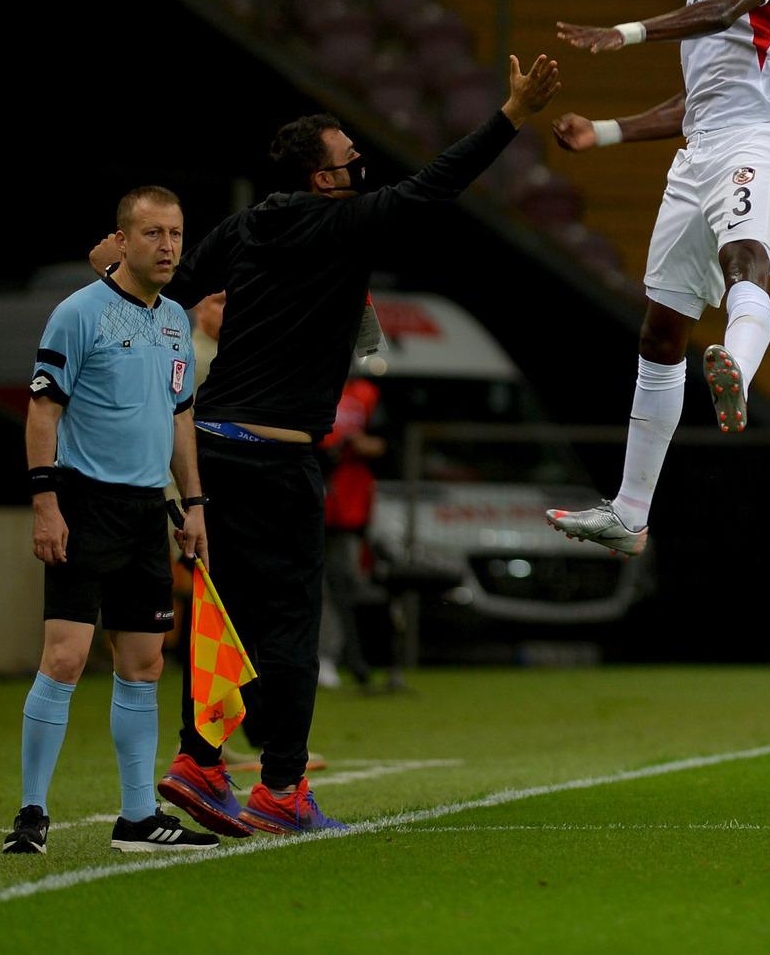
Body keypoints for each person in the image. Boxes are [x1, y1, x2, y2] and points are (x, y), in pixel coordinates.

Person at [92, 54, 561, 836]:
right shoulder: (344, 222)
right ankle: (282, 788)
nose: (362, 172)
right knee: (291, 628)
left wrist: (110, 274)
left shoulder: (244, 227)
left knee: (223, 619)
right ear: (322, 179)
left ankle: (199, 762)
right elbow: (436, 186)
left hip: (210, 445)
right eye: (351, 163)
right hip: (277, 458)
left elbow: (162, 295)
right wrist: (510, 115)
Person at [546, 0, 770, 559]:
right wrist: (604, 132)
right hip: (698, 155)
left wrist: (624, 33)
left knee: (744, 257)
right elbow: (697, 105)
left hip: (755, 143)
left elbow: (724, 13)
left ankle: (737, 374)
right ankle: (630, 515)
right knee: (661, 333)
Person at [4, 186, 215, 856]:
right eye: (153, 233)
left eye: (176, 233)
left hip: (145, 511)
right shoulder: (79, 313)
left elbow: (179, 415)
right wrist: (47, 505)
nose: (168, 246)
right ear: (120, 241)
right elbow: (43, 411)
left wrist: (194, 503)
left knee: (145, 664)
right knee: (64, 659)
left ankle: (136, 818)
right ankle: (32, 812)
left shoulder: (177, 319)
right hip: (84, 502)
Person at [317, 376, 385, 689]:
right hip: (312, 498)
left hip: (349, 504)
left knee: (344, 582)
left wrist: (357, 444)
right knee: (315, 585)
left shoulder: (364, 393)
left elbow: (383, 442)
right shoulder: (312, 380)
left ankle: (333, 656)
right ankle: (319, 657)